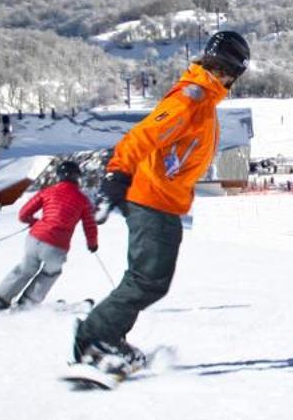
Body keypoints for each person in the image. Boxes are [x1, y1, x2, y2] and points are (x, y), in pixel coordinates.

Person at [72, 30, 249, 373]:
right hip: (151, 199)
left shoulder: (204, 99)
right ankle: (95, 337)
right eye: (232, 73)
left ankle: (104, 336)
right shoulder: (191, 99)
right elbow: (142, 135)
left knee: (150, 280)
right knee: (147, 280)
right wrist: (116, 175)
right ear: (228, 69)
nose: (230, 80)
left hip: (164, 200)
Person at [0, 160, 99, 311]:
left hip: (34, 239)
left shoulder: (47, 191)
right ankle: (26, 303)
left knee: (25, 269)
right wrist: (92, 244)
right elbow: (90, 226)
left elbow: (23, 214)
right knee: (50, 273)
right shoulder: (83, 200)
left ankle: (0, 300)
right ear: (77, 177)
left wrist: (35, 222)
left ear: (59, 176)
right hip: (57, 246)